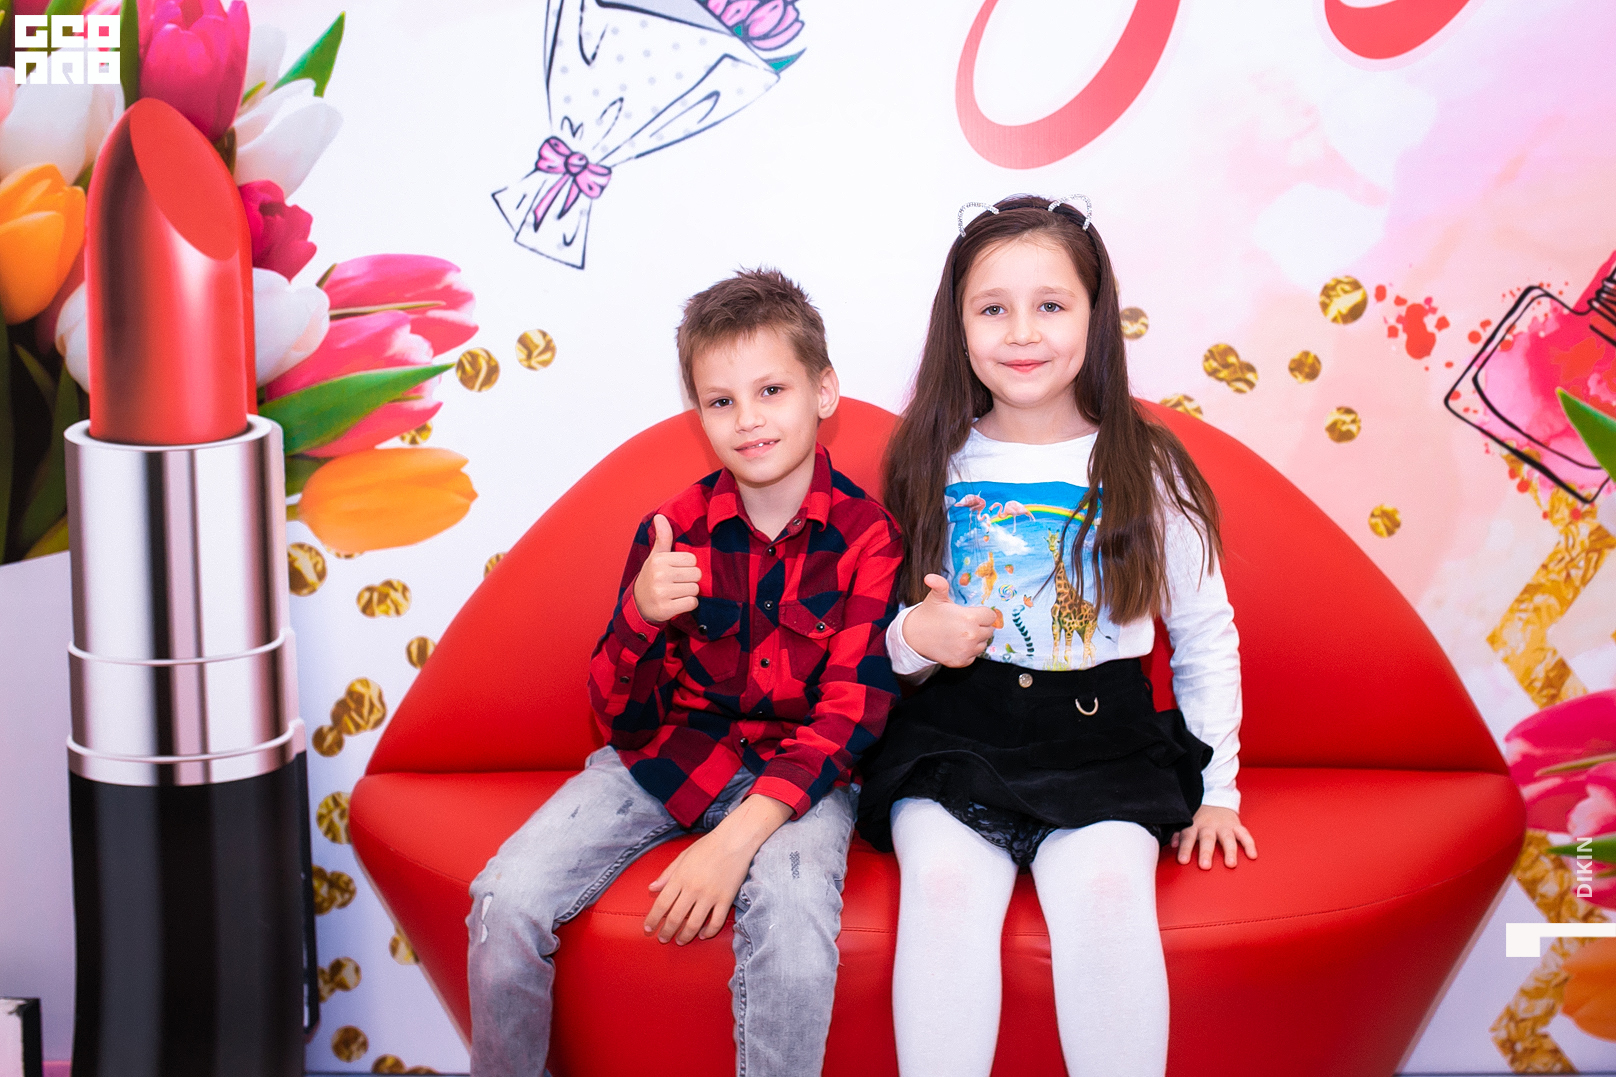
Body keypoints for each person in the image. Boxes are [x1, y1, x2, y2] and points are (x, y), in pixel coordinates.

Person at [854, 194, 1258, 1077]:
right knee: (943, 888)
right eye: (993, 308)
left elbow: (1204, 631)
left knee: (1109, 892)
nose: (1023, 332)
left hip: (1104, 738)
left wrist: (1218, 788)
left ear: (1094, 315)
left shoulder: (1147, 463)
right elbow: (882, 643)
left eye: (1050, 304)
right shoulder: (930, 459)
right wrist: (917, 636)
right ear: (959, 327)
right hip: (956, 730)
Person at [466, 268, 905, 1077]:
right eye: (722, 400)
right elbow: (617, 718)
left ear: (824, 391)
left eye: (771, 390)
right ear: (699, 413)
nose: (749, 419)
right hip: (667, 756)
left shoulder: (869, 536)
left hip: (802, 778)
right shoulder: (673, 529)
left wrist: (733, 842)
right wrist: (640, 613)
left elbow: (852, 713)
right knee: (503, 897)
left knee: (796, 929)